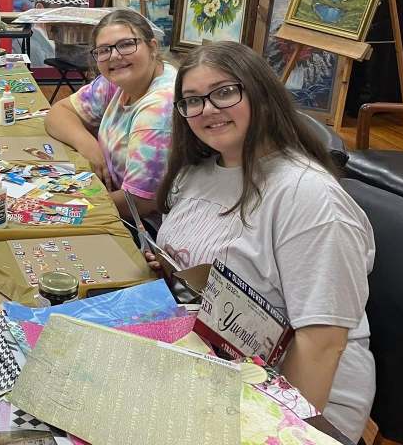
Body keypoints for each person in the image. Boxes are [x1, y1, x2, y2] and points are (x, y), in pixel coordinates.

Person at [149, 42, 374, 442]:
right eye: (193, 100)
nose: (207, 109)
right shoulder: (200, 171)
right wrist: (176, 267)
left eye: (224, 92)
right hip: (215, 356)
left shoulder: (308, 196)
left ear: (261, 94)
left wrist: (278, 428)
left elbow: (322, 345)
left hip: (296, 399)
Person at [44, 9, 175, 222]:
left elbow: (138, 202)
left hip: (145, 226)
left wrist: (62, 205)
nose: (114, 56)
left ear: (152, 47)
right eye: (104, 50)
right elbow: (58, 113)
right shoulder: (121, 78)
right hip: (113, 199)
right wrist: (89, 146)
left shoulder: (160, 108)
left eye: (126, 44)